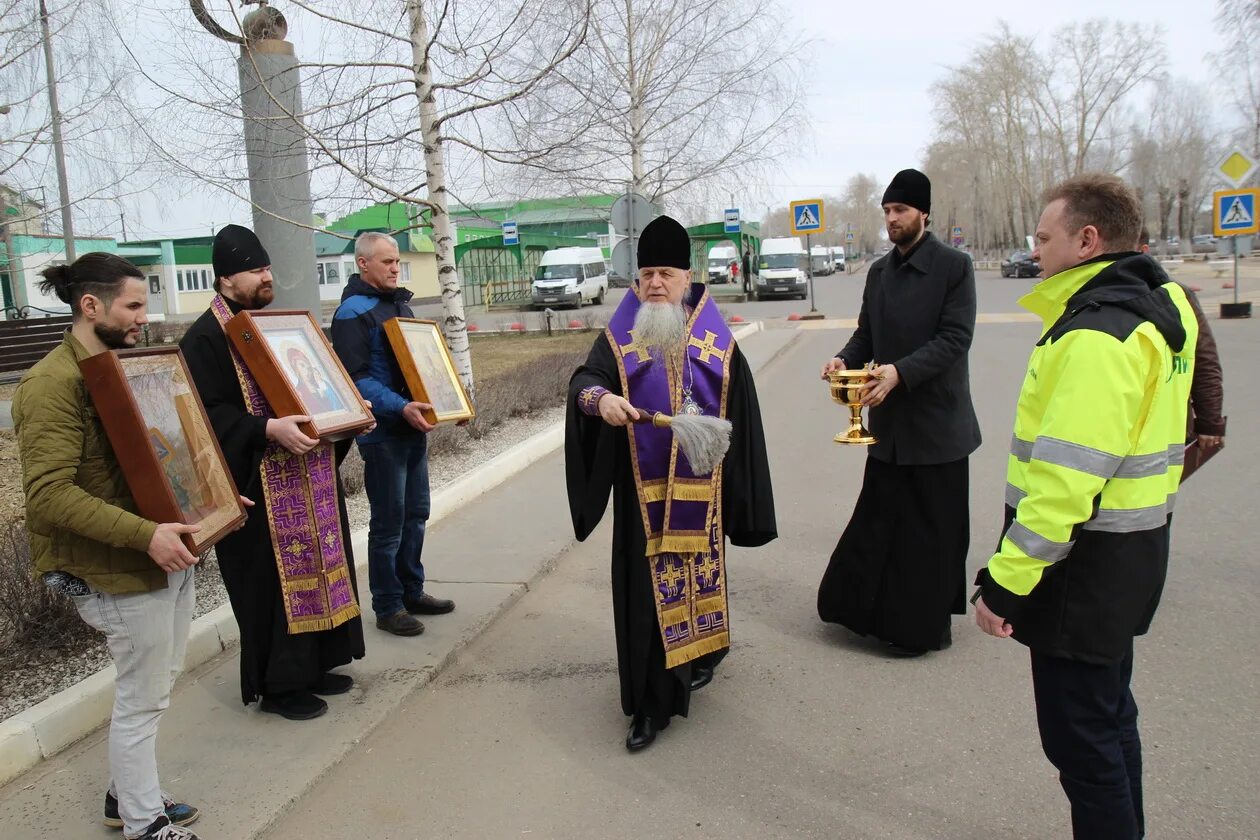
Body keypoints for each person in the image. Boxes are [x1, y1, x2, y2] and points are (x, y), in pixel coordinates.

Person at [974, 175, 1198, 839]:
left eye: (1044, 238)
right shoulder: (1159, 305)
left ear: (1087, 241)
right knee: (1110, 723)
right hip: (1128, 558)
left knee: (1084, 747)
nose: (1034, 250)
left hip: (1079, 572)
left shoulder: (1097, 335)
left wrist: (1005, 584)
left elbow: (1064, 485)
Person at [565, 215, 777, 752]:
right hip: (643, 499)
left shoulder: (718, 344)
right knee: (646, 601)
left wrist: (743, 498)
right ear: (636, 282)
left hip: (703, 500)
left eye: (666, 274)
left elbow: (743, 423)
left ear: (687, 277)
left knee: (701, 583)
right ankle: (650, 704)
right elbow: (585, 381)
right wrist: (600, 400)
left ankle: (702, 656)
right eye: (647, 275)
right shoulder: (620, 340)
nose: (655, 284)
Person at [15, 253, 204, 839]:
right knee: (143, 697)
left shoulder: (124, 365)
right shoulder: (52, 384)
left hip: (162, 553)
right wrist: (147, 535)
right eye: (134, 305)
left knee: (159, 681)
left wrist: (210, 498)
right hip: (118, 566)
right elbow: (49, 495)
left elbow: (160, 454)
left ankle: (126, 796)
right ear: (91, 305)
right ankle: (145, 824)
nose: (145, 318)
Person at [181, 224, 365, 721]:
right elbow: (204, 415)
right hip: (256, 484)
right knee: (270, 585)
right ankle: (281, 686)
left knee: (323, 564)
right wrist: (265, 428)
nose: (267, 277)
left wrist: (344, 410)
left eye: (267, 268)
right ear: (226, 278)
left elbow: (309, 383)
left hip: (307, 474)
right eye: (256, 270)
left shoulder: (271, 324)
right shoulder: (204, 338)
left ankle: (317, 664)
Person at [816, 168, 981, 656]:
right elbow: (866, 334)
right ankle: (864, 615)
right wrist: (843, 359)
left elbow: (955, 338)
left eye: (901, 210)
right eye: (887, 210)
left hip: (937, 426)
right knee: (880, 523)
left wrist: (900, 373)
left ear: (923, 213)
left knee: (929, 534)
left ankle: (919, 628)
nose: (892, 218)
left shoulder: (954, 267)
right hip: (888, 426)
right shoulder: (879, 272)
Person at [331, 231, 454, 637]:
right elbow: (355, 378)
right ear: (363, 263)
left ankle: (411, 591)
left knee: (416, 514)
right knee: (389, 522)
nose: (395, 268)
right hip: (382, 434)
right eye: (387, 261)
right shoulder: (352, 313)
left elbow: (421, 364)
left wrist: (450, 402)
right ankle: (388, 606)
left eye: (397, 261)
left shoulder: (400, 304)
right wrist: (400, 406)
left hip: (413, 426)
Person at [1138, 228, 1225, 451]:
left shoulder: (1177, 296)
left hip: (1168, 432)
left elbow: (1204, 360)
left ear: (1143, 251)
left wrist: (1209, 422)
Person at [286, 345, 342, 415]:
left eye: (308, 367)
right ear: (295, 368)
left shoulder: (322, 384)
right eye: (302, 365)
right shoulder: (298, 391)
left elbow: (336, 405)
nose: (307, 370)